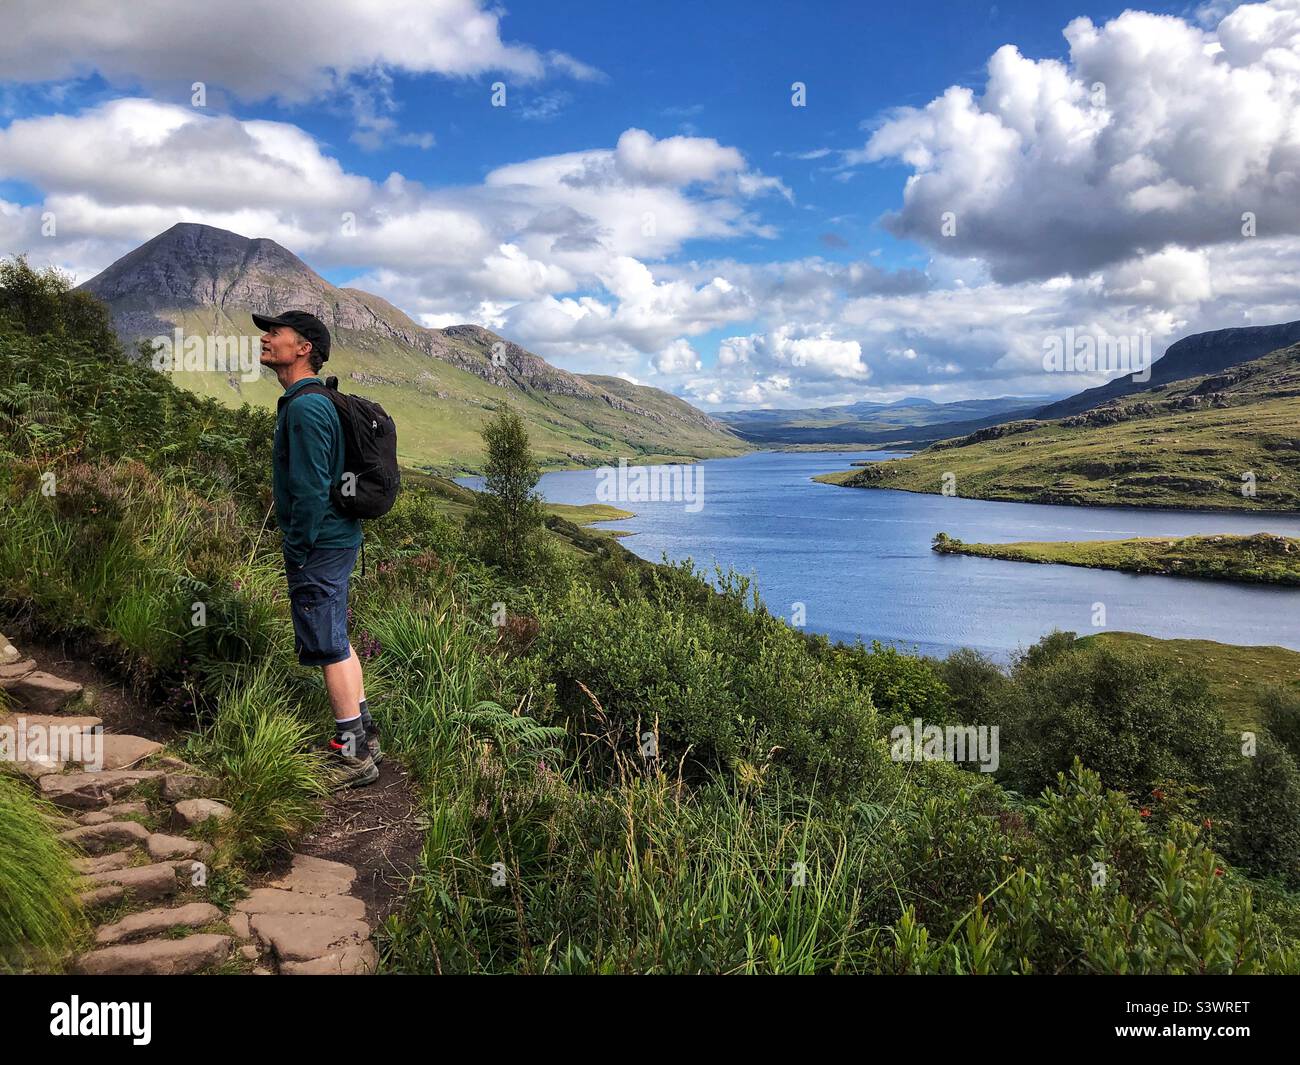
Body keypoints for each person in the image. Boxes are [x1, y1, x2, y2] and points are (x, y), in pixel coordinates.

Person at [256, 310, 380, 789]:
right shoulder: (311, 401)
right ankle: (363, 735)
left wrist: (298, 545)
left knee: (327, 644)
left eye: (275, 333)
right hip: (337, 537)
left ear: (303, 347)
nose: (266, 339)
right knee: (337, 638)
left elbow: (309, 489)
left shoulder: (307, 407)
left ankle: (351, 756)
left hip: (319, 543)